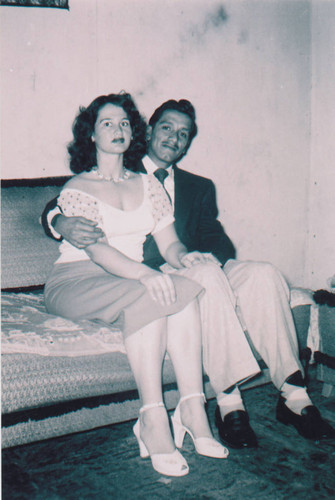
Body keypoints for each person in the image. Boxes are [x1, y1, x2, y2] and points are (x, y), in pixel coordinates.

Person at [42, 98, 335, 447]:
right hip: (142, 270)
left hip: (185, 262)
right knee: (207, 282)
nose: (174, 138)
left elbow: (216, 240)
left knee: (263, 274)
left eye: (183, 134)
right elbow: (61, 204)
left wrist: (202, 257)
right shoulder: (118, 163)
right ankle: (229, 402)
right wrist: (57, 221)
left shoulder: (199, 186)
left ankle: (294, 393)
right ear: (148, 130)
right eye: (166, 127)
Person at [44, 93, 228, 477]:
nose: (118, 129)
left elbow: (169, 243)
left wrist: (184, 259)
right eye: (107, 123)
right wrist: (148, 274)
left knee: (180, 290)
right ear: (90, 136)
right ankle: (152, 419)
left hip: (124, 278)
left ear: (133, 133)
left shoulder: (149, 185)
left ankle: (193, 408)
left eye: (125, 122)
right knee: (155, 290)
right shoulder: (78, 187)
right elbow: (97, 252)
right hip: (77, 280)